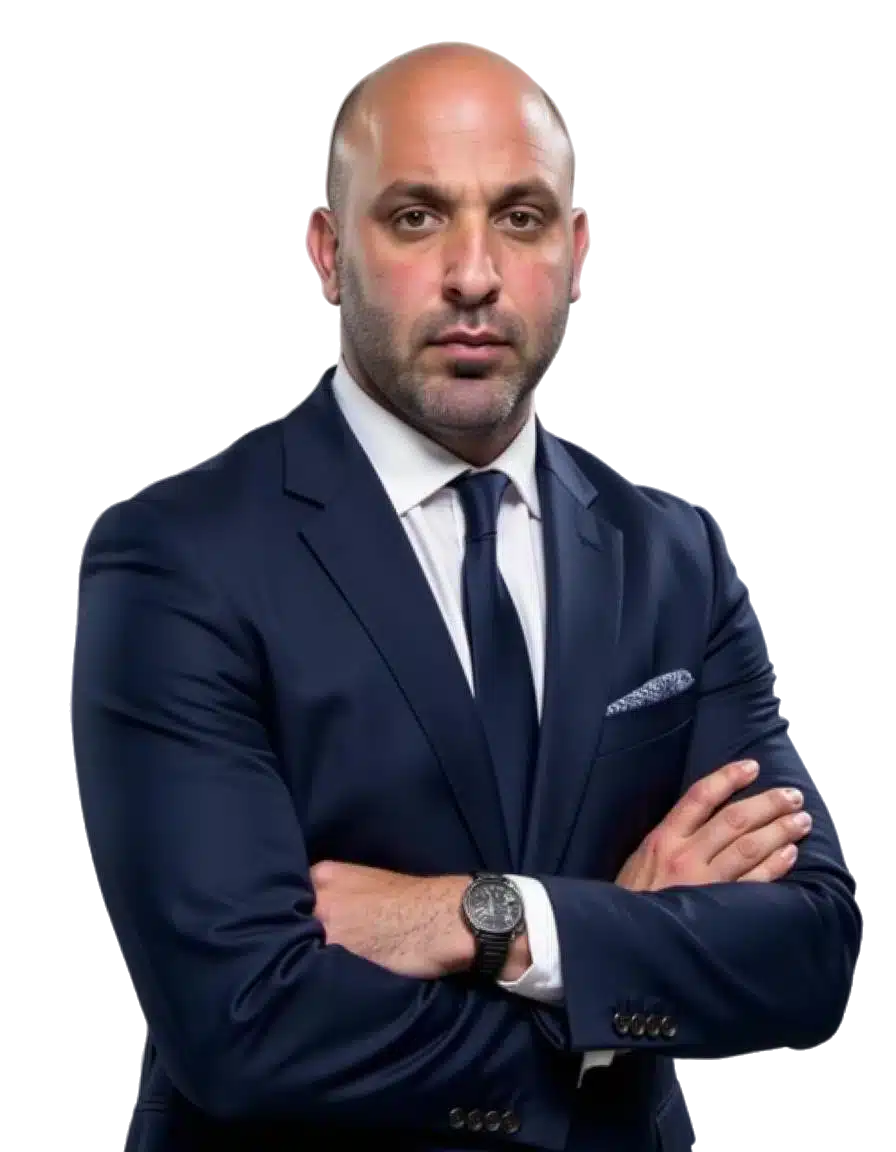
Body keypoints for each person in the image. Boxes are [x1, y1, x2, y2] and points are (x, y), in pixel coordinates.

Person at [74, 44, 859, 1152]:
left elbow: (810, 951)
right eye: (416, 217)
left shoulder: (672, 557)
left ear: (575, 253)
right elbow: (241, 1025)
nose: (475, 274)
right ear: (326, 251)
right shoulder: (176, 561)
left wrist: (490, 919)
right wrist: (616, 978)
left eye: (520, 218)